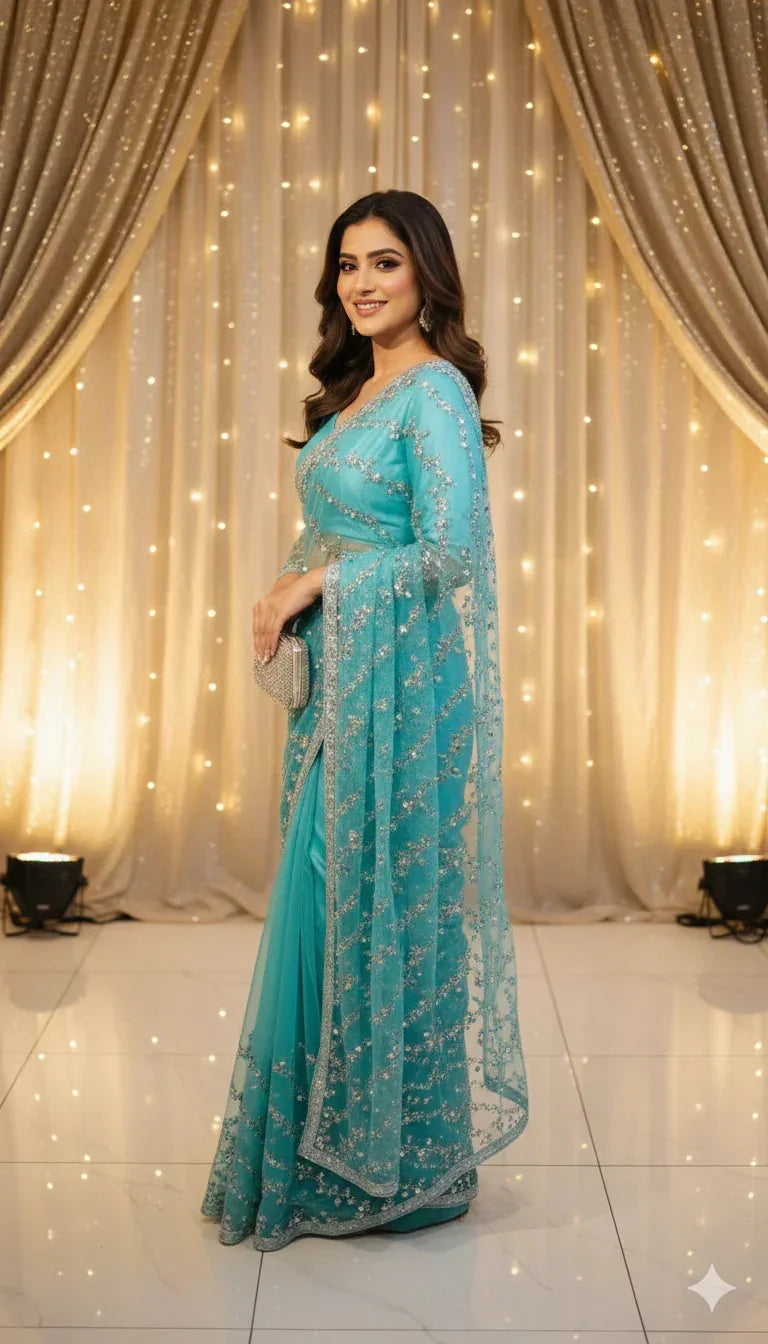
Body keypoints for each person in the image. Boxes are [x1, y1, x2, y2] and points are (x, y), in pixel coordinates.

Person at [200, 189, 529, 1252]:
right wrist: (288, 584)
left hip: (404, 696)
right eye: (348, 265)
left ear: (428, 273)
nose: (363, 283)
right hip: (346, 688)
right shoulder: (357, 391)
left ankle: (400, 1167)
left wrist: (313, 590)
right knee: (330, 907)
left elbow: (451, 555)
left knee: (382, 907)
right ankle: (324, 1150)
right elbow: (347, 537)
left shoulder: (432, 392)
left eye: (386, 262)